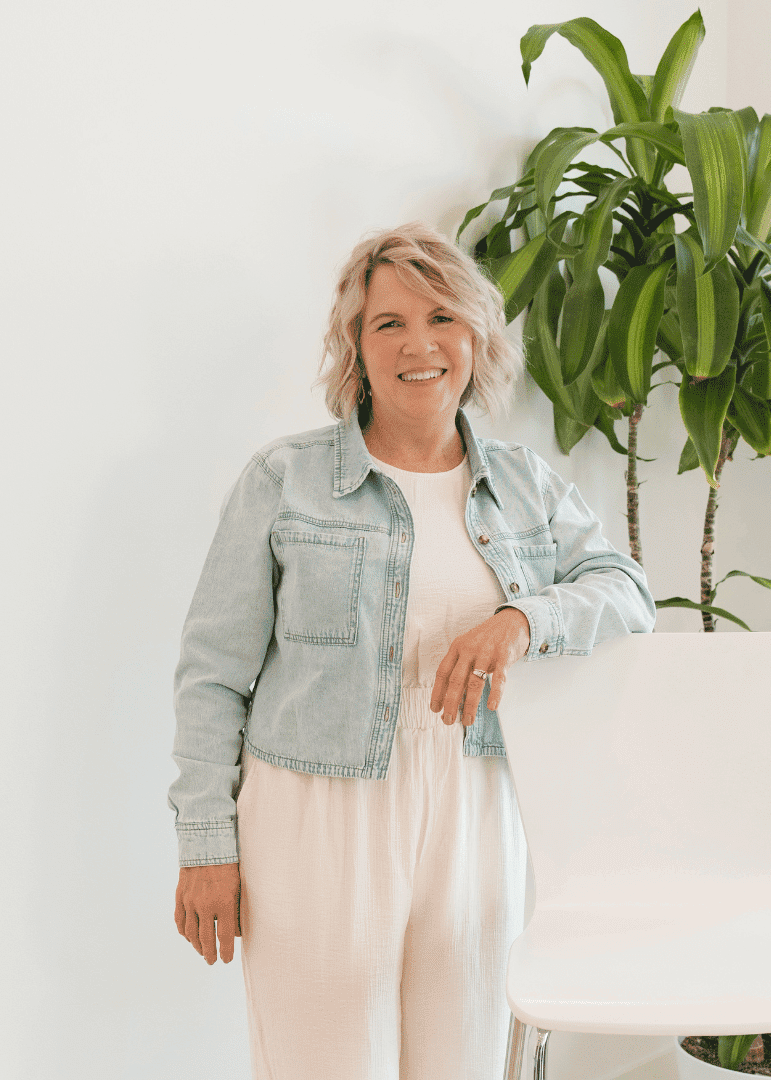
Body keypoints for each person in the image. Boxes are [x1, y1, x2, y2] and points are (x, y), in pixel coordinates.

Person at [168, 222, 656, 1080]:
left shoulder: (523, 487)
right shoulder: (284, 481)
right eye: (387, 323)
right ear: (355, 346)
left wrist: (523, 620)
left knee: (463, 1063)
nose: (419, 344)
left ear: (476, 339)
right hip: (313, 811)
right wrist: (206, 843)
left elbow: (625, 591)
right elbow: (211, 676)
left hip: (476, 804)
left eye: (443, 318)